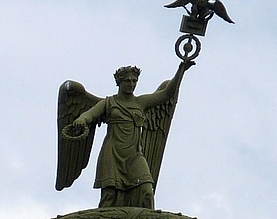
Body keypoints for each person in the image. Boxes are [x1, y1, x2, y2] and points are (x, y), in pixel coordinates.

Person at [70, 61, 191, 208]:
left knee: (147, 190)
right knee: (109, 196)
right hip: (113, 153)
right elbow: (90, 114)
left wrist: (181, 69)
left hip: (134, 154)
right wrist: (82, 120)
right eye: (127, 81)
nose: (131, 84)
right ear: (119, 82)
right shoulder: (109, 103)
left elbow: (167, 93)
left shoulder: (141, 102)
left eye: (134, 81)